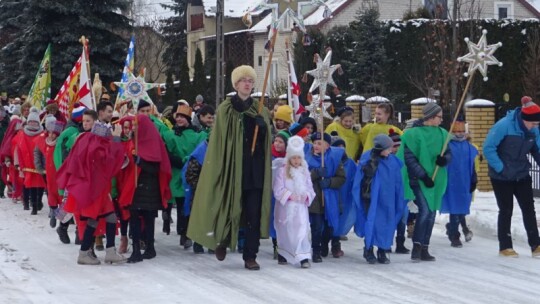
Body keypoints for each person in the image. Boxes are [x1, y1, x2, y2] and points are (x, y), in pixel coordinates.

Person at [187, 65, 272, 270]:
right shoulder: (225, 109)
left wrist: (262, 128)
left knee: (253, 214)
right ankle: (222, 241)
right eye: (243, 80)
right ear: (235, 84)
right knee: (227, 206)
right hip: (232, 168)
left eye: (250, 81)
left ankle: (250, 255)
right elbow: (221, 139)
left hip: (254, 171)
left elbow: (267, 141)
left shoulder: (261, 109)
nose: (247, 84)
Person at [57, 122, 127, 265]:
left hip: (95, 188)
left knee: (110, 218)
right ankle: (84, 253)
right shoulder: (96, 146)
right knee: (93, 220)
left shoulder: (88, 141)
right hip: (94, 190)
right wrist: (116, 139)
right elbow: (110, 163)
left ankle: (109, 251)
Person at [483, 96, 540, 258]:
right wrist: (501, 168)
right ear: (524, 119)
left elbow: (537, 150)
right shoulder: (504, 126)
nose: (535, 127)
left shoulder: (534, 130)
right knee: (506, 210)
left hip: (521, 174)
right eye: (533, 123)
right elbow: (488, 148)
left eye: (537, 124)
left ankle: (536, 244)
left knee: (529, 209)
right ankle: (505, 246)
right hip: (501, 176)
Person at [397, 102, 451, 262]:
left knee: (432, 212)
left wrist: (444, 160)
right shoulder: (412, 134)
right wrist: (423, 176)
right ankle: (417, 247)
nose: (442, 120)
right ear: (430, 117)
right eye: (439, 117)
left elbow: (448, 152)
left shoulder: (442, 133)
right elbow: (410, 159)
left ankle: (425, 247)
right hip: (419, 180)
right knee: (425, 211)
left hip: (437, 179)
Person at [121, 115, 172, 263]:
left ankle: (148, 247)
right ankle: (139, 248)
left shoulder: (152, 142)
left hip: (148, 186)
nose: (134, 127)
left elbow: (156, 166)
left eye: (136, 124)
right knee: (136, 218)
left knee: (147, 218)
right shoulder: (134, 141)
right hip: (137, 185)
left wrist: (140, 161)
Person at [353, 135, 405, 264]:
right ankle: (369, 249)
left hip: (388, 198)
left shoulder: (393, 161)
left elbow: (398, 181)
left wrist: (399, 196)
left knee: (387, 223)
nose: (391, 151)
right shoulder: (368, 158)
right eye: (388, 148)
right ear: (380, 149)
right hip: (371, 198)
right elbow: (363, 177)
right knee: (372, 222)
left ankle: (383, 249)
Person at [272, 136, 315, 268]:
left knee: (302, 229)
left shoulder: (304, 171)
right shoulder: (282, 171)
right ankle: (284, 253)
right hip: (286, 207)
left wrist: (306, 196)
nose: (296, 161)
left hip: (300, 207)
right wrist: (289, 196)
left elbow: (310, 188)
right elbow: (278, 188)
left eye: (298, 158)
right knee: (286, 230)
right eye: (294, 158)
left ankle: (303, 256)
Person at [306, 132, 346, 263]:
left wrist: (329, 182)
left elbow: (341, 178)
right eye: (315, 143)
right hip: (315, 198)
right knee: (316, 226)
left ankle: (324, 243)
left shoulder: (334, 159)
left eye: (319, 143)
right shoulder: (307, 158)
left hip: (330, 198)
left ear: (327, 146)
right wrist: (315, 173)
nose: (316, 146)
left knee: (329, 226)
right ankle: (316, 251)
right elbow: (303, 177)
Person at [441, 120, 478, 248]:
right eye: (457, 131)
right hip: (452, 181)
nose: (460, 134)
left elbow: (472, 164)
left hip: (465, 181)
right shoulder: (447, 145)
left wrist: (474, 178)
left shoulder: (468, 146)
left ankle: (451, 227)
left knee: (461, 208)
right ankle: (454, 235)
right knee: (455, 208)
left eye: (462, 131)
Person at [12, 107, 46, 214]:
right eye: (30, 121)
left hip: (39, 165)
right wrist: (19, 164)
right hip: (27, 165)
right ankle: (32, 206)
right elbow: (18, 149)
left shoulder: (42, 134)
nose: (32, 123)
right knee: (30, 185)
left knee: (40, 185)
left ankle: (38, 202)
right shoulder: (22, 134)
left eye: (34, 121)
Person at [34, 118, 65, 227]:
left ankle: (61, 221)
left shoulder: (60, 144)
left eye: (54, 134)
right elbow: (37, 152)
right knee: (51, 193)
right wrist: (40, 167)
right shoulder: (45, 143)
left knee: (61, 196)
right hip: (50, 174)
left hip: (59, 173)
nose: (51, 135)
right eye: (50, 133)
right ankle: (53, 212)